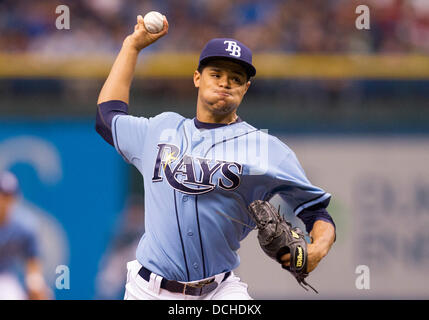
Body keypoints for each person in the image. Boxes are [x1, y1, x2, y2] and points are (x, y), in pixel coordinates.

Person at [95, 15, 336, 300]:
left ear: (245, 88)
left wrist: (317, 250)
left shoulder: (266, 149)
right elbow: (107, 117)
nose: (225, 83)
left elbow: (316, 211)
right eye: (216, 74)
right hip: (148, 290)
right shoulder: (161, 128)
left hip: (219, 291)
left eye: (236, 79)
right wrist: (131, 47)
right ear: (198, 78)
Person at [0, 171, 50, 300]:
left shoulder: (24, 226)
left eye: (8, 195)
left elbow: (33, 264)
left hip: (4, 279)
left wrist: (35, 284)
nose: (4, 199)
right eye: (2, 194)